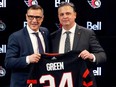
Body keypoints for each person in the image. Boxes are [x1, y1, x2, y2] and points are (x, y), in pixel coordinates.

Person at [5, 5, 49, 87]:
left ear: (42, 18)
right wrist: (28, 59)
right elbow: (8, 62)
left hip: (42, 82)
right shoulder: (16, 37)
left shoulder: (45, 32)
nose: (34, 20)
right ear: (26, 17)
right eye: (31, 17)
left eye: (38, 17)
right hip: (23, 83)